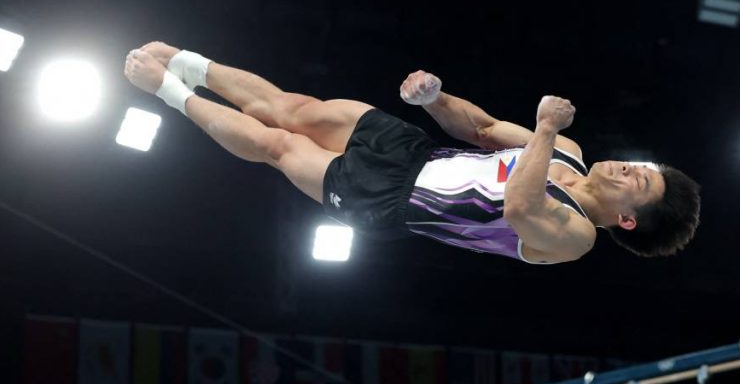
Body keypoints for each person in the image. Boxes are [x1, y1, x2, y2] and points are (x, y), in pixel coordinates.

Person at [124, 42, 700, 265]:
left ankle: (169, 93)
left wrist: (546, 129)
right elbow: (482, 129)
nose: (630, 167)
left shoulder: (575, 237)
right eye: (643, 166)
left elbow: (519, 209)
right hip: (415, 152)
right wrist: (436, 98)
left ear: (629, 219)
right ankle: (187, 60)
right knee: (291, 109)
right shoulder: (570, 153)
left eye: (640, 183)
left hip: (393, 202)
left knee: (279, 146)